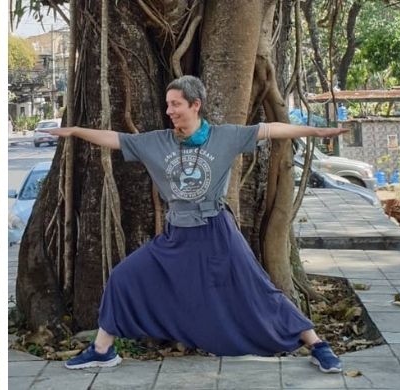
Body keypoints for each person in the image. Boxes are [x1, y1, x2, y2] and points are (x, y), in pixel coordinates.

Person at [45, 75, 346, 374]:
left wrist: (315, 131)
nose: (170, 111)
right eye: (168, 105)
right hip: (177, 236)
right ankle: (102, 350)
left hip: (217, 233)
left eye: (176, 104)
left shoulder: (224, 137)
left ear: (195, 105)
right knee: (123, 277)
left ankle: (317, 344)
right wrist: (74, 130)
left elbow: (270, 129)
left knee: (259, 289)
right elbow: (115, 139)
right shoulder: (158, 142)